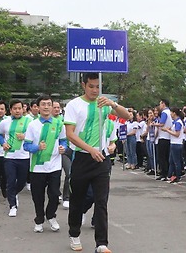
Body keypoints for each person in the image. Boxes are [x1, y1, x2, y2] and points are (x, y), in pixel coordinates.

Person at [64, 72, 129, 253]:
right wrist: (89, 149)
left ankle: (101, 243)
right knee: (77, 200)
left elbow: (128, 116)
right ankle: (74, 234)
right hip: (82, 158)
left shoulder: (103, 103)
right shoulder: (74, 105)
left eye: (98, 86)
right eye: (91, 86)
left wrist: (113, 103)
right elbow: (70, 134)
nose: (94, 90)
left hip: (101, 160)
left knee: (101, 201)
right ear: (83, 85)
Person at [23, 95, 67, 233]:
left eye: (49, 104)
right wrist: (37, 148)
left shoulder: (59, 123)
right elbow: (26, 146)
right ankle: (39, 220)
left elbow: (64, 141)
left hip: (54, 165)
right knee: (38, 196)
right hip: (37, 167)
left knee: (54, 194)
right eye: (43, 104)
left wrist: (63, 148)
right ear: (38, 107)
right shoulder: (32, 125)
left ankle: (51, 216)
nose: (46, 107)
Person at [0, 100, 31, 217]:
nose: (17, 110)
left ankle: (14, 193)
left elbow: (36, 135)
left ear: (23, 109)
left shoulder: (29, 121)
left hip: (24, 156)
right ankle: (12, 206)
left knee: (21, 181)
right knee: (10, 180)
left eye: (19, 108)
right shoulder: (5, 122)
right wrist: (3, 143)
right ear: (10, 110)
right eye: (15, 108)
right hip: (9, 157)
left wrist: (25, 136)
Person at [52, 101, 72, 209]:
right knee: (56, 174)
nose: (56, 109)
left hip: (66, 150)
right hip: (53, 152)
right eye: (54, 107)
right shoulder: (46, 121)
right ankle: (56, 194)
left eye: (58, 107)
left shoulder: (64, 120)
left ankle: (67, 197)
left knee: (69, 173)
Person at [161, 107, 184, 184]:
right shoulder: (175, 122)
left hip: (177, 143)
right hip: (173, 143)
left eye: (171, 113)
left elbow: (177, 134)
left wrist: (167, 131)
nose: (170, 114)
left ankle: (178, 175)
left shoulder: (178, 122)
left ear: (174, 113)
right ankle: (170, 175)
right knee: (171, 161)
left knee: (176, 161)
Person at [153, 99, 172, 181]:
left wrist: (154, 124)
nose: (159, 106)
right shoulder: (170, 112)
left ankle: (164, 173)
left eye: (160, 104)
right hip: (168, 136)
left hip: (163, 136)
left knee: (162, 157)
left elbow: (162, 123)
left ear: (163, 104)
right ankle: (167, 173)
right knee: (166, 156)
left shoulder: (164, 112)